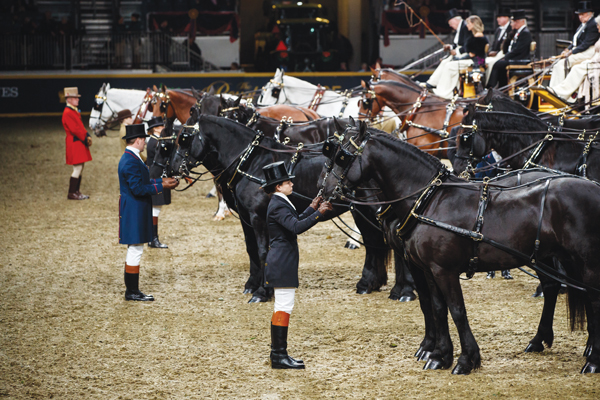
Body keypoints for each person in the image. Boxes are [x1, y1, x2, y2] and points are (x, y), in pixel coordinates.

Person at [261, 161, 333, 369]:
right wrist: (319, 213)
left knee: (283, 306)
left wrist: (311, 208)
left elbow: (294, 221)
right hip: (282, 262)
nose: (292, 183)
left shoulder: (281, 202)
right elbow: (296, 227)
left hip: (283, 260)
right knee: (283, 306)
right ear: (277, 186)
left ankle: (279, 354)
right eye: (287, 181)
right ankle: (278, 355)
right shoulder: (277, 204)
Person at [118, 123, 179, 301]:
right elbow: (138, 188)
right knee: (135, 249)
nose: (145, 143)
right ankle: (132, 291)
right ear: (138, 140)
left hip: (135, 208)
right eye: (143, 140)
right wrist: (160, 186)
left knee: (135, 249)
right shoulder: (130, 160)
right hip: (134, 209)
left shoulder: (131, 157)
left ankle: (132, 290)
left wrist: (162, 182)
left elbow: (142, 183)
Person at [431, 15, 488, 99]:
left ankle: (444, 92)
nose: (467, 25)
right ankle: (446, 90)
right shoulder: (474, 36)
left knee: (449, 66)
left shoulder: (479, 37)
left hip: (475, 61)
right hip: (471, 60)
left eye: (468, 24)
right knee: (450, 64)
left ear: (473, 24)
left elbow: (472, 54)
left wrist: (459, 59)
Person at [548, 15, 600, 103]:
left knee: (577, 68)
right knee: (576, 66)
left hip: (596, 63)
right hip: (595, 61)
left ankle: (561, 93)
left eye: (599, 25)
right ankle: (557, 90)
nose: (597, 27)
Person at [422, 8, 473, 91]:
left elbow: (468, 46)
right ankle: (431, 83)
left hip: (465, 54)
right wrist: (451, 47)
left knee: (447, 65)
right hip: (460, 52)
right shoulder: (459, 28)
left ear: (455, 20)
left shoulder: (465, 27)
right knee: (444, 62)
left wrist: (456, 51)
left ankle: (443, 89)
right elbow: (458, 44)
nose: (450, 25)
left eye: (450, 23)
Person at [486, 10, 532, 89]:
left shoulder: (525, 33)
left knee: (498, 64)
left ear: (522, 22)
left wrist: (506, 57)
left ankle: (490, 87)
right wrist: (510, 36)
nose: (513, 24)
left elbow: (518, 50)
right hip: (514, 57)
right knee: (499, 64)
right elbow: (507, 47)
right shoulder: (517, 32)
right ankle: (501, 86)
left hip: (520, 59)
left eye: (515, 22)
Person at [145, 116, 172, 248]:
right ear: (155, 128)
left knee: (156, 209)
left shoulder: (155, 141)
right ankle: (153, 238)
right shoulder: (155, 143)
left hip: (156, 176)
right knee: (155, 210)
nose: (163, 128)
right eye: (161, 126)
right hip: (156, 176)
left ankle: (152, 237)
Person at [62, 87, 92, 200]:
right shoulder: (68, 112)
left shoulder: (72, 110)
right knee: (78, 168)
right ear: (69, 99)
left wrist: (86, 135)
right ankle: (72, 192)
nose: (77, 100)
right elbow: (75, 129)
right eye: (75, 98)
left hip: (77, 141)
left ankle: (76, 191)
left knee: (80, 167)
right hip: (75, 142)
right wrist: (85, 137)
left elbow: (79, 127)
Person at [484, 7, 512, 85]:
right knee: (485, 61)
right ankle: (484, 83)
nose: (497, 19)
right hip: (496, 54)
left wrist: (497, 52)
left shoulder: (511, 29)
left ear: (506, 18)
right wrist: (491, 52)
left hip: (504, 54)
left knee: (492, 63)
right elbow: (494, 44)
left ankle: (490, 85)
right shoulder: (498, 30)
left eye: (500, 17)